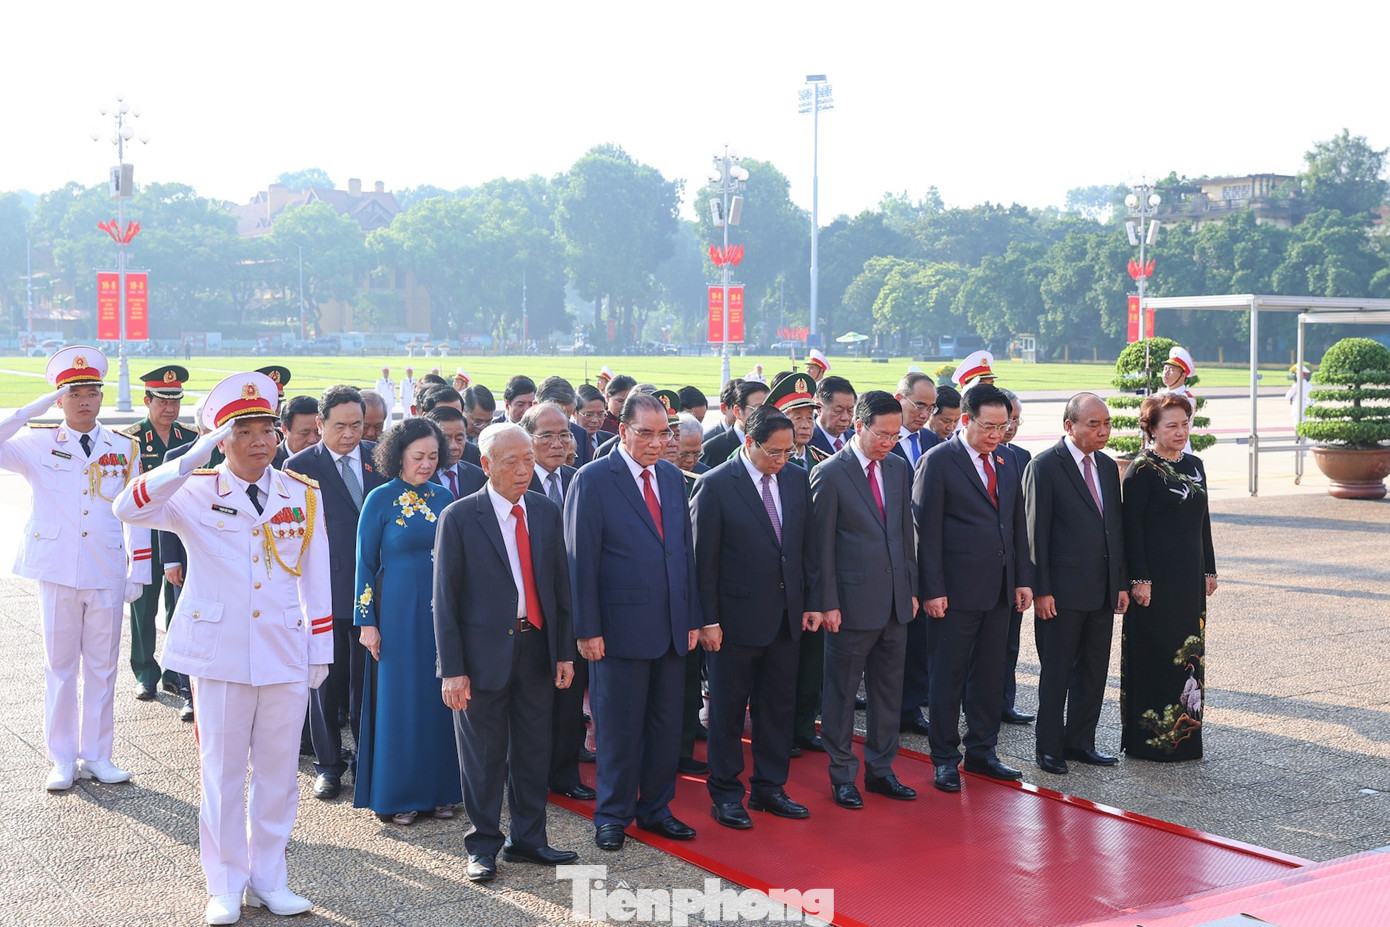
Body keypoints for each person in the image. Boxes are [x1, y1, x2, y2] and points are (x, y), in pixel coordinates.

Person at [114, 371, 330, 925]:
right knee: (223, 772)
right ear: (221, 437)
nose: (262, 441)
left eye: (268, 430)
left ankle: (270, 878)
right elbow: (128, 508)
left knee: (280, 773)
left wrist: (320, 647)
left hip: (284, 646)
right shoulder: (194, 490)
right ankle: (226, 882)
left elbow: (317, 572)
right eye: (246, 431)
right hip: (220, 651)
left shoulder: (300, 493)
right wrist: (190, 457)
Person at [0, 346, 149, 791]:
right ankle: (62, 758)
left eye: (91, 392)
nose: (85, 400)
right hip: (58, 567)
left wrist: (139, 569)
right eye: (73, 393)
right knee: (60, 666)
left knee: (102, 668)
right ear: (60, 399)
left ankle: (98, 755)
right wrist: (33, 407)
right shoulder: (38, 442)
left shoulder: (123, 447)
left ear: (101, 398)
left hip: (106, 567)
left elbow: (136, 510)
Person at [435, 423, 579, 881]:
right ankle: (482, 846)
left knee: (535, 749)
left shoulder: (544, 510)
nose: (523, 471)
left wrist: (563, 652)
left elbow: (559, 587)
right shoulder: (459, 517)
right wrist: (452, 670)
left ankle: (529, 839)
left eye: (529, 461)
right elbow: (445, 600)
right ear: (486, 464)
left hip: (536, 646)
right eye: (512, 462)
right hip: (481, 656)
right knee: (483, 756)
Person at [565, 392, 703, 851]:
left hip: (670, 625)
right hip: (617, 629)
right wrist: (586, 629)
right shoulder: (593, 478)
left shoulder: (670, 476)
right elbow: (580, 561)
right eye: (646, 433)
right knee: (620, 728)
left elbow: (683, 552)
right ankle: (612, 814)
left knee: (666, 727)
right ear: (622, 431)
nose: (657, 442)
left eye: (665, 433)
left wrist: (692, 616)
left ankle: (657, 808)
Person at [692, 405, 816, 828]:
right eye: (774, 452)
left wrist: (811, 603)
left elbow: (806, 551)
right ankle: (726, 793)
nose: (782, 460)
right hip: (732, 623)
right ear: (749, 443)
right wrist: (707, 620)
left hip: (785, 619)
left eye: (789, 451)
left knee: (778, 708)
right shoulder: (716, 485)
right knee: (727, 712)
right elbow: (702, 562)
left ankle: (769, 787)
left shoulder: (797, 479)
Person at [914, 383, 1032, 793]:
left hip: (999, 590)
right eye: (989, 426)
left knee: (989, 675)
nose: (997, 434)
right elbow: (925, 533)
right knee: (947, 677)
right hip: (954, 593)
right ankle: (945, 758)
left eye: (1004, 425)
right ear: (965, 420)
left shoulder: (1008, 460)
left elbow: (1016, 525)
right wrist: (932, 589)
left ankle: (983, 751)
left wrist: (1022, 579)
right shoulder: (939, 461)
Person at [810, 390, 919, 809]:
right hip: (850, 606)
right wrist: (827, 602)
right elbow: (821, 550)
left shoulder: (896, 468)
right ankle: (841, 775)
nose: (890, 442)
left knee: (888, 691)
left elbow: (903, 534)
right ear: (859, 426)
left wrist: (910, 589)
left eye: (896, 434)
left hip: (895, 601)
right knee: (840, 695)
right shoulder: (831, 473)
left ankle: (881, 770)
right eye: (882, 434)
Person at [353, 418, 462, 825]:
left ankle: (442, 791)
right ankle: (399, 794)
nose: (427, 464)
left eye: (434, 456)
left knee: (439, 700)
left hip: (440, 613)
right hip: (395, 614)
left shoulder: (445, 495)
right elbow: (364, 564)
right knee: (400, 702)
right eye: (418, 457)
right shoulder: (379, 499)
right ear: (398, 455)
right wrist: (367, 621)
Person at [285, 386, 386, 802]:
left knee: (367, 685)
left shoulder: (379, 457)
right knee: (325, 681)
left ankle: (367, 759)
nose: (349, 434)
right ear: (321, 425)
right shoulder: (298, 467)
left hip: (374, 592)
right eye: (340, 426)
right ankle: (328, 765)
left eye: (356, 425)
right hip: (325, 590)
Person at [1024, 393, 1127, 775]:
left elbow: (1113, 528)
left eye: (1107, 424)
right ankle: (1048, 748)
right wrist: (1042, 589)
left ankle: (1080, 741)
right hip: (1061, 593)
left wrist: (1119, 583)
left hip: (1100, 590)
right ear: (1069, 426)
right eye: (1094, 424)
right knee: (1057, 672)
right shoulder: (1045, 466)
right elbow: (1037, 533)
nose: (1103, 431)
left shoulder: (1105, 466)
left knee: (1093, 670)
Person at [1120, 393, 1216, 762]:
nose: (1180, 431)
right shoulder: (1142, 470)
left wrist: (1209, 569)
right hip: (1154, 583)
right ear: (1152, 428)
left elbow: (1202, 522)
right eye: (1171, 425)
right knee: (1157, 655)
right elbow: (1133, 530)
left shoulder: (1195, 465)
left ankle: (1186, 740)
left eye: (1185, 423)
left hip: (1189, 581)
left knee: (1188, 655)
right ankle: (1151, 741)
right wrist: (1139, 579)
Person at [124, 365, 196, 704]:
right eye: (163, 401)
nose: (170, 409)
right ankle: (145, 672)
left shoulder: (189, 439)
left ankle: (174, 672)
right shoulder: (132, 439)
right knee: (143, 605)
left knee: (179, 603)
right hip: (143, 534)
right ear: (147, 400)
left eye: (175, 402)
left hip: (179, 534)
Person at [995, 388, 1034, 726]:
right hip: (980, 571)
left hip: (1013, 570)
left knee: (1009, 643)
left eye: (1016, 420)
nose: (1011, 427)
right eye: (1007, 420)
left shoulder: (1023, 457)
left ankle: (1005, 702)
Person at [701, 379, 769, 466]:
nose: (764, 414)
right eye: (757, 408)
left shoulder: (778, 445)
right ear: (737, 411)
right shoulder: (712, 449)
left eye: (768, 408)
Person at [427, 406, 487, 497]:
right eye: (446, 439)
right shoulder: (420, 476)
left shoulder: (478, 476)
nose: (454, 446)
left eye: (459, 439)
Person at [809, 376, 855, 458]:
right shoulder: (807, 442)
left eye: (850, 411)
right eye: (838, 411)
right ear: (819, 408)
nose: (845, 418)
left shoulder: (856, 440)